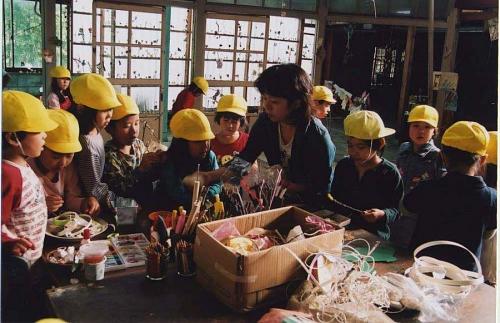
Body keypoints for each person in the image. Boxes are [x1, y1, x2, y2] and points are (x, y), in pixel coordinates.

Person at [237, 64, 336, 206]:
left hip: (307, 206)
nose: (266, 106)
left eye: (274, 102)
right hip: (277, 198)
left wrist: (294, 186)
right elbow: (247, 156)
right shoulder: (266, 122)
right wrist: (218, 176)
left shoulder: (318, 138)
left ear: (296, 103)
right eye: (264, 99)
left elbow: (321, 188)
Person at [406, 121, 496, 271]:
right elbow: (488, 234)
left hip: (423, 270)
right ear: (482, 159)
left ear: (443, 156)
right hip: (462, 279)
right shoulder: (492, 198)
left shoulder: (427, 188)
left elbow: (406, 208)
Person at [1, 90, 58, 321]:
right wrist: (7, 243)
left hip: (32, 262)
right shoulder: (7, 174)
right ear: (14, 138)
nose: (45, 135)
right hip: (16, 268)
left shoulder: (22, 166)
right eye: (39, 130)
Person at [329, 110, 403, 240]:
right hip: (341, 229)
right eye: (350, 145)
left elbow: (396, 211)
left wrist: (382, 214)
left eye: (360, 147)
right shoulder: (344, 166)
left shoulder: (390, 173)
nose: (353, 152)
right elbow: (334, 199)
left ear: (377, 145)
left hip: (373, 235)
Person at [391, 105, 446, 248]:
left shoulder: (438, 157)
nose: (420, 131)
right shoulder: (403, 149)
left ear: (435, 131)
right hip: (397, 212)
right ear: (409, 127)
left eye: (427, 127)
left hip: (420, 218)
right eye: (416, 126)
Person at [29, 110, 100, 216]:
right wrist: (41, 205)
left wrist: (83, 203)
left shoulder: (68, 168)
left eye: (69, 156)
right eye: (56, 156)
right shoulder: (27, 170)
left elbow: (71, 197)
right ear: (41, 146)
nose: (63, 163)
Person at [69, 73, 121, 216]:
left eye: (111, 108)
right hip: (88, 207)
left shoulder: (95, 132)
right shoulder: (86, 145)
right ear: (82, 109)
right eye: (104, 109)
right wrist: (120, 203)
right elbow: (95, 189)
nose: (110, 115)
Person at [155, 108, 221, 211]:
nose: (205, 146)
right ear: (182, 143)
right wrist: (198, 201)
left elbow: (218, 183)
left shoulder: (210, 156)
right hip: (172, 211)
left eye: (207, 139)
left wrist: (207, 193)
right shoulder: (169, 162)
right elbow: (178, 195)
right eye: (198, 141)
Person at [103, 94, 162, 204]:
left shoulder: (138, 145)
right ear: (110, 129)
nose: (134, 130)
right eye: (127, 126)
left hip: (145, 201)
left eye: (136, 123)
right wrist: (140, 169)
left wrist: (157, 160)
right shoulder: (109, 155)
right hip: (125, 208)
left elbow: (148, 174)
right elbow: (120, 190)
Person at [210, 94, 249, 166]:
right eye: (225, 120)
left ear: (241, 122)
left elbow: (254, 168)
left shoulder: (248, 140)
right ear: (219, 119)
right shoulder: (210, 142)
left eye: (234, 122)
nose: (229, 125)